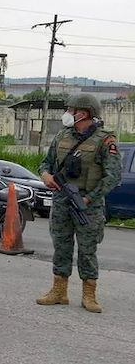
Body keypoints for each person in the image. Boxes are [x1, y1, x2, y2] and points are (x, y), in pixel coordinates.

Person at [36, 93, 122, 313]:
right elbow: (46, 163)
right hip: (62, 199)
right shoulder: (63, 135)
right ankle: (59, 291)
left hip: (87, 204)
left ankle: (89, 294)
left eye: (71, 110)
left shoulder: (105, 140)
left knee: (87, 249)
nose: (67, 113)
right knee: (61, 245)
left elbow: (113, 176)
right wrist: (45, 176)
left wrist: (89, 198)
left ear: (83, 113)